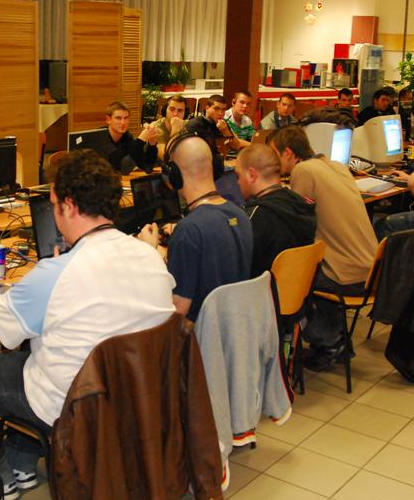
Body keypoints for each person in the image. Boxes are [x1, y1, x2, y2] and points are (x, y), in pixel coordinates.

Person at [0, 150, 174, 500]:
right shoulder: (148, 254)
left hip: (73, 404)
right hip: (134, 396)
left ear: (69, 206)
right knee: (35, 349)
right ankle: (22, 461)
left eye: (55, 203)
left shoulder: (56, 273)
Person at [271, 125, 377, 370]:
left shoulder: (303, 170)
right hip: (372, 270)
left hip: (347, 276)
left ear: (288, 153)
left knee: (288, 279)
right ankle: (337, 340)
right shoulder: (336, 166)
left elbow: (297, 224)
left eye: (275, 155)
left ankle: (328, 343)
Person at [139, 135, 252, 322]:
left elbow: (177, 311)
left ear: (174, 176)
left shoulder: (188, 231)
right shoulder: (241, 215)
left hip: (201, 333)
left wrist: (148, 253)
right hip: (235, 327)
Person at [235, 143, 316, 277]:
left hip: (264, 289)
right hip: (298, 288)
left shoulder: (254, 218)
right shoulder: (303, 205)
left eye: (238, 175)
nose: (237, 182)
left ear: (251, 175)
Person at [102, 101, 159, 173]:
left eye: (126, 118)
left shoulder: (126, 136)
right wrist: (141, 140)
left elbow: (146, 166)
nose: (123, 122)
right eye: (118, 118)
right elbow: (123, 169)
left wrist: (152, 144)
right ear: (108, 120)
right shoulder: (100, 138)